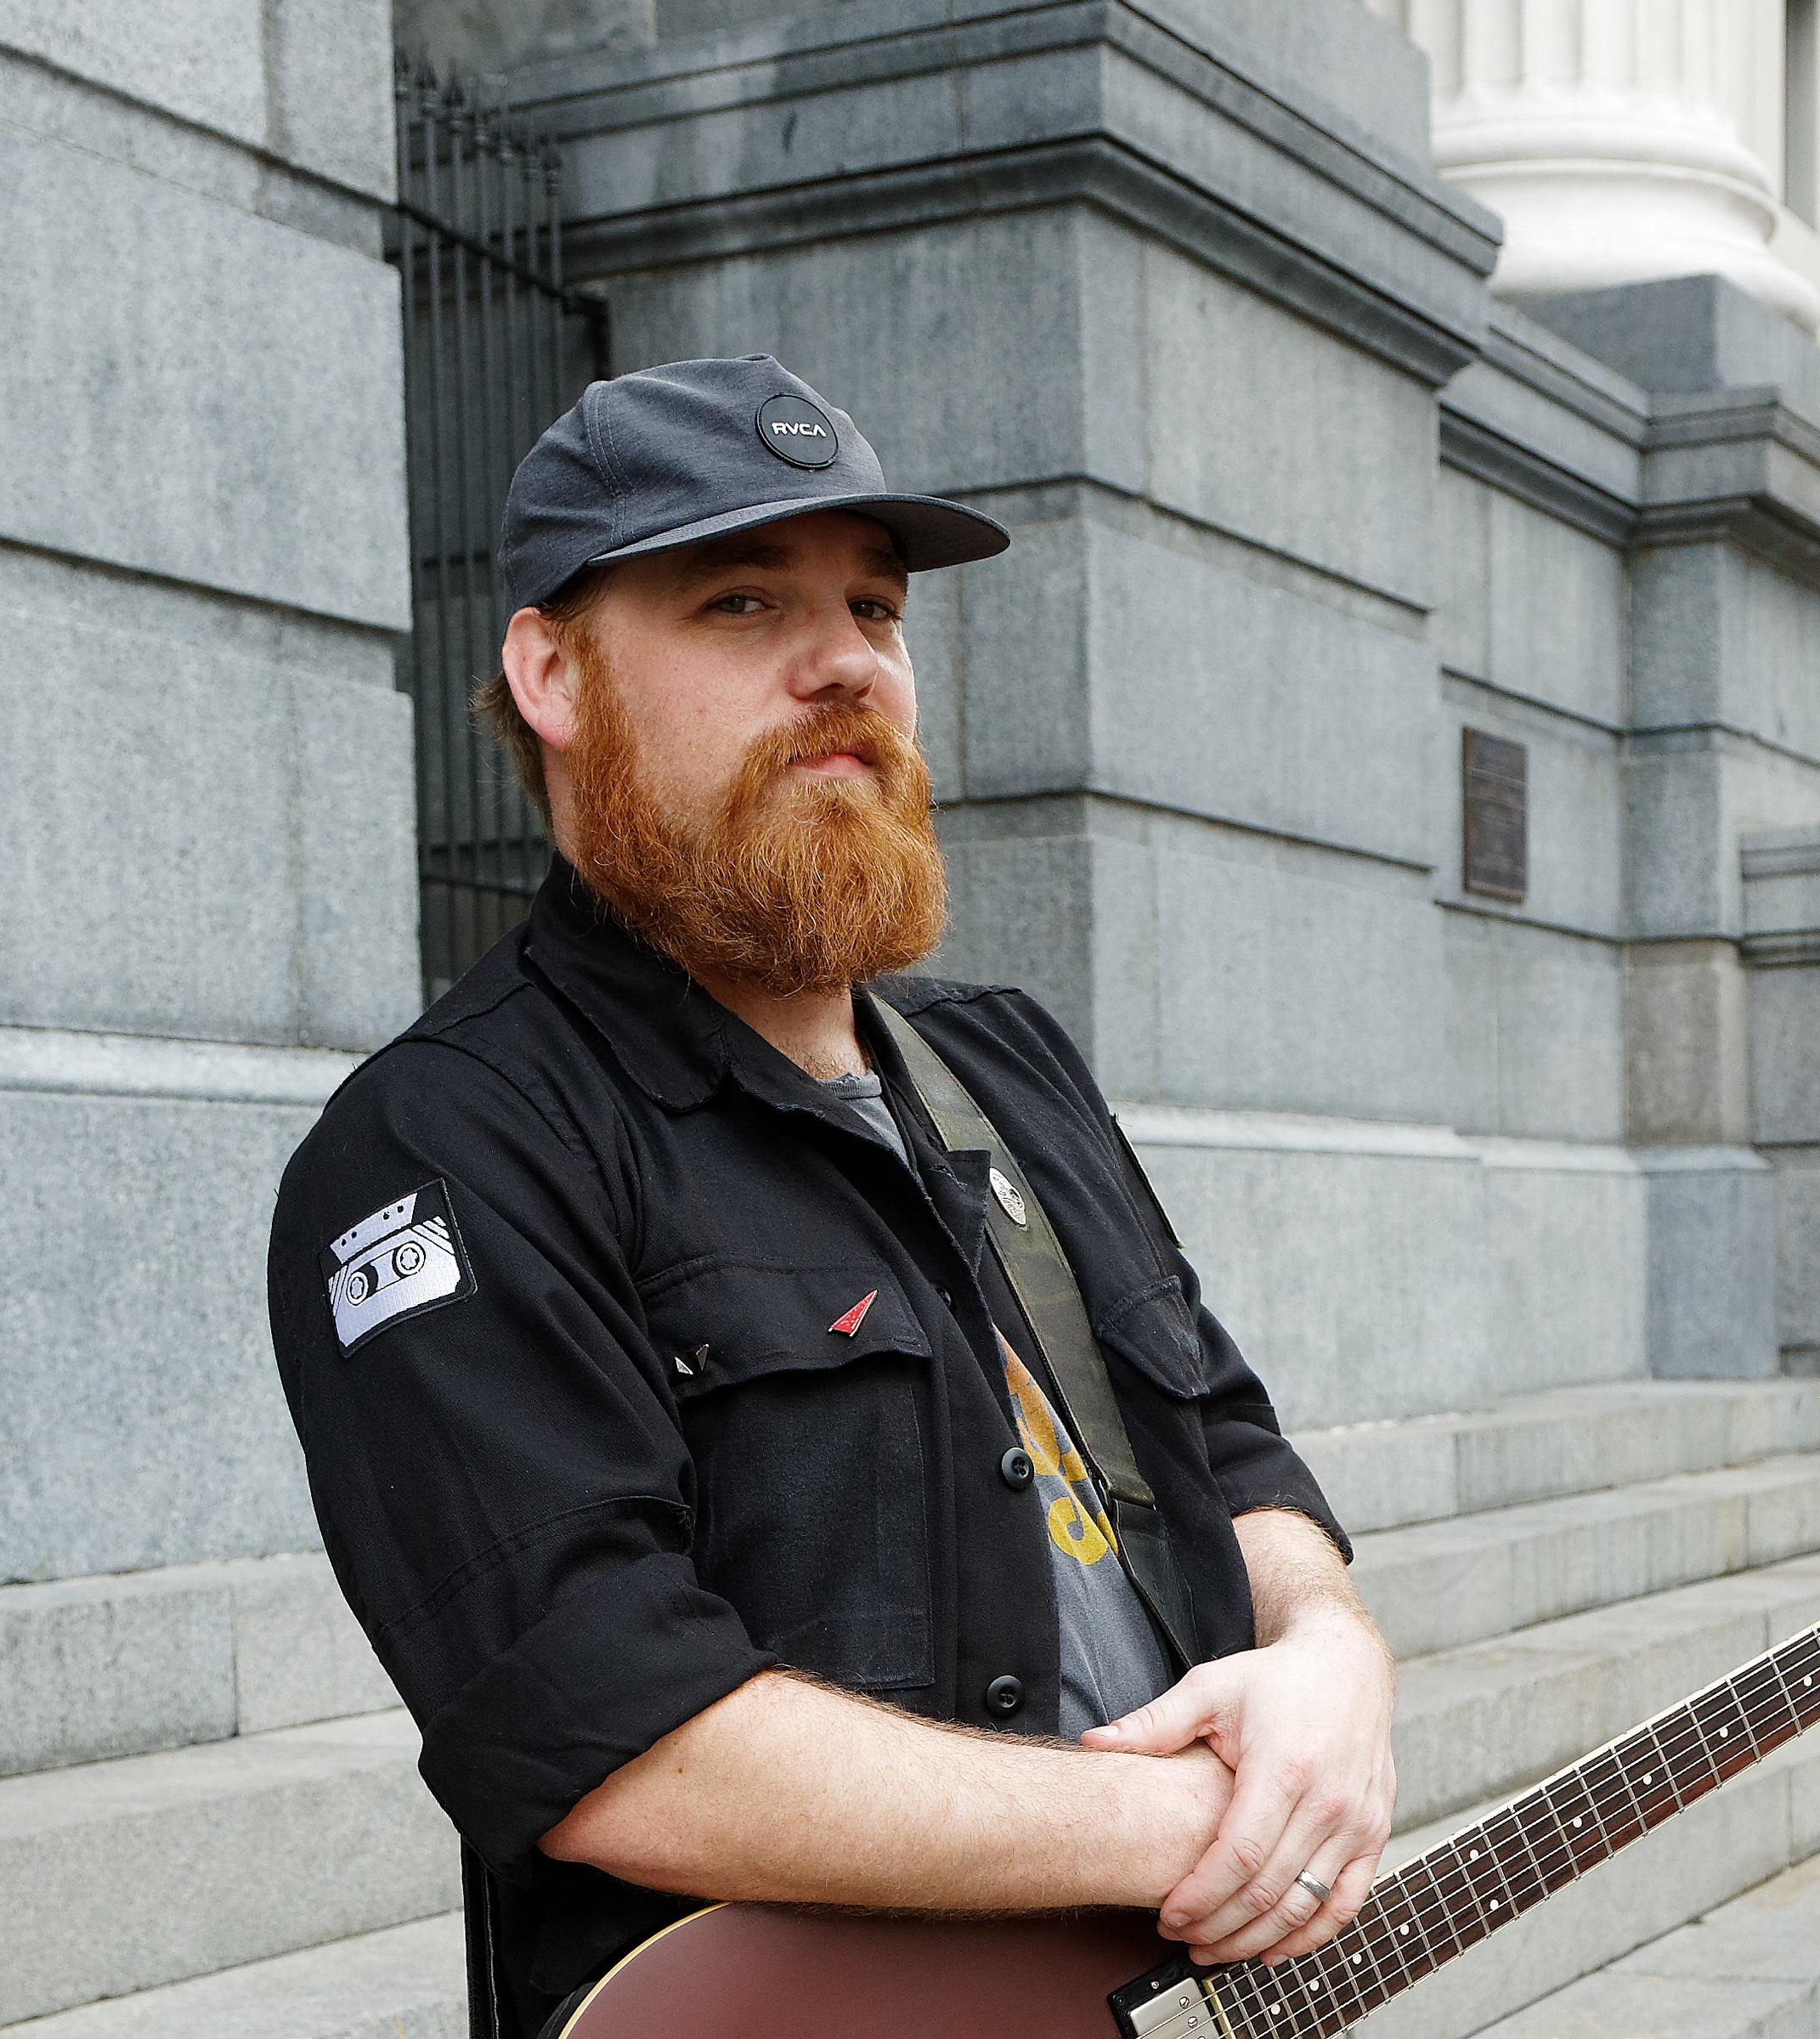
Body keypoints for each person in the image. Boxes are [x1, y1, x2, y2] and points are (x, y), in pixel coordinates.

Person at [268, 354, 1395, 2036]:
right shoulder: (449, 1144)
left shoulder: (1007, 1066)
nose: (845, 662)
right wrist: (1179, 1824)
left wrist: (1329, 1663)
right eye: (742, 603)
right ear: (552, 673)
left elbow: (1230, 1451)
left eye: (876, 606)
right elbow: (603, 1726)